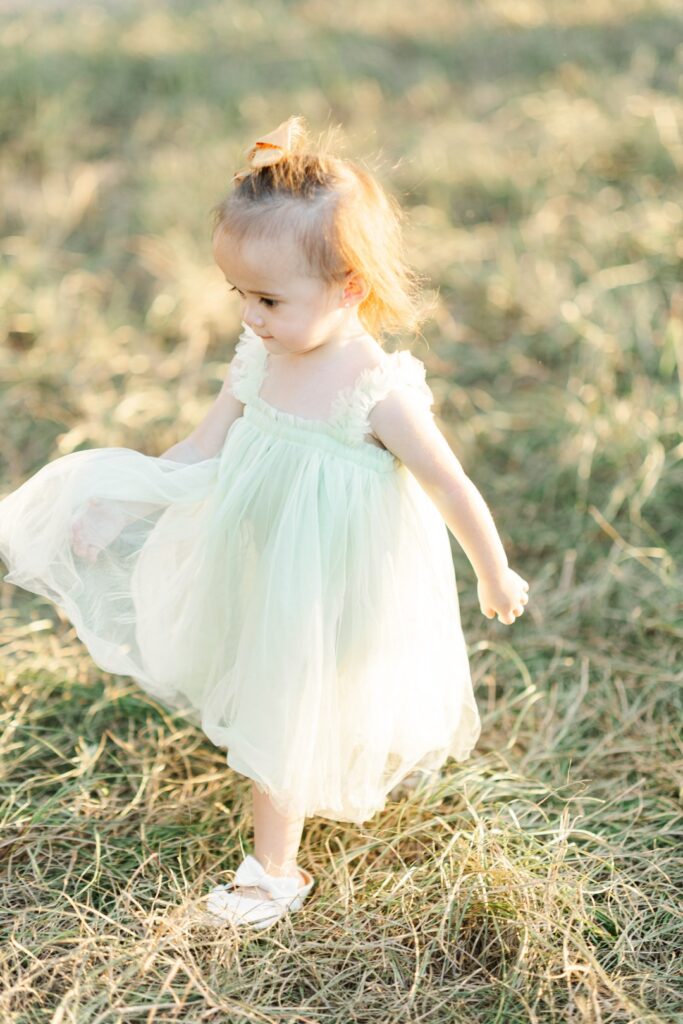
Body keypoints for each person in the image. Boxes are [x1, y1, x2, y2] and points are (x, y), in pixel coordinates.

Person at [0, 115, 529, 931]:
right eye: (239, 295)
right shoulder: (262, 355)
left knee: (299, 694)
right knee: (272, 678)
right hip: (259, 555)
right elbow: (200, 447)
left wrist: (493, 571)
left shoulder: (375, 390)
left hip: (332, 573)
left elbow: (450, 486)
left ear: (349, 285)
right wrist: (120, 503)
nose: (250, 315)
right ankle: (285, 811)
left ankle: (272, 872)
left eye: (270, 298)